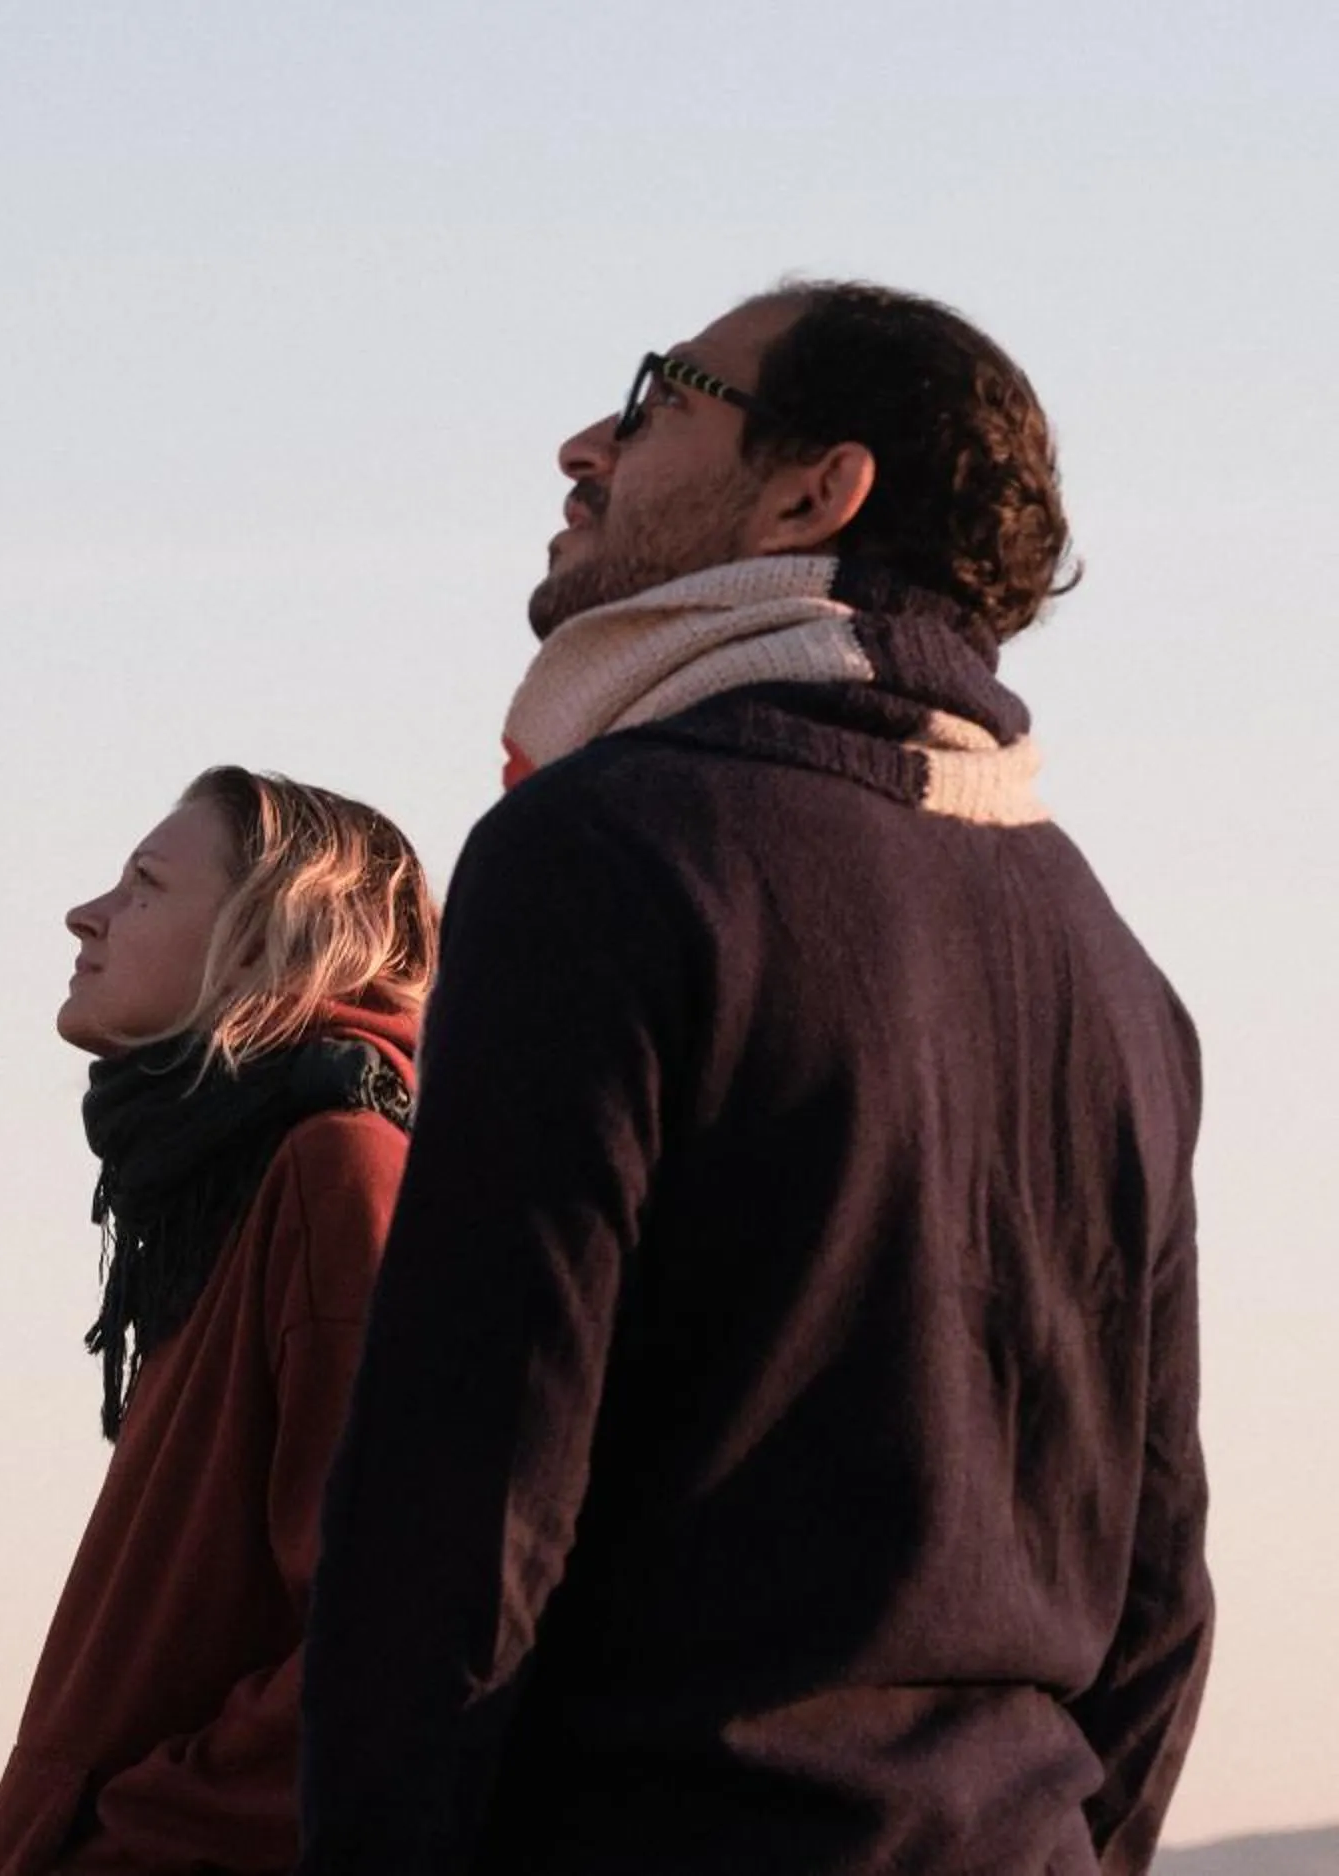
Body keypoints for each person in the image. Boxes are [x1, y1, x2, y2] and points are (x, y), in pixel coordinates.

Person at [297, 282, 1211, 1874]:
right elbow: (1156, 1598)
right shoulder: (1119, 971)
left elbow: (462, 1518)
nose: (587, 443)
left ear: (814, 489)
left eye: (659, 396)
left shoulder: (602, 854)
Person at [0, 767, 440, 1875]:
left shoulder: (341, 1169)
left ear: (266, 937)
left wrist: (123, 1840)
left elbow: (398, 1642)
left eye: (143, 884)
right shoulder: (219, 1183)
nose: (87, 913)